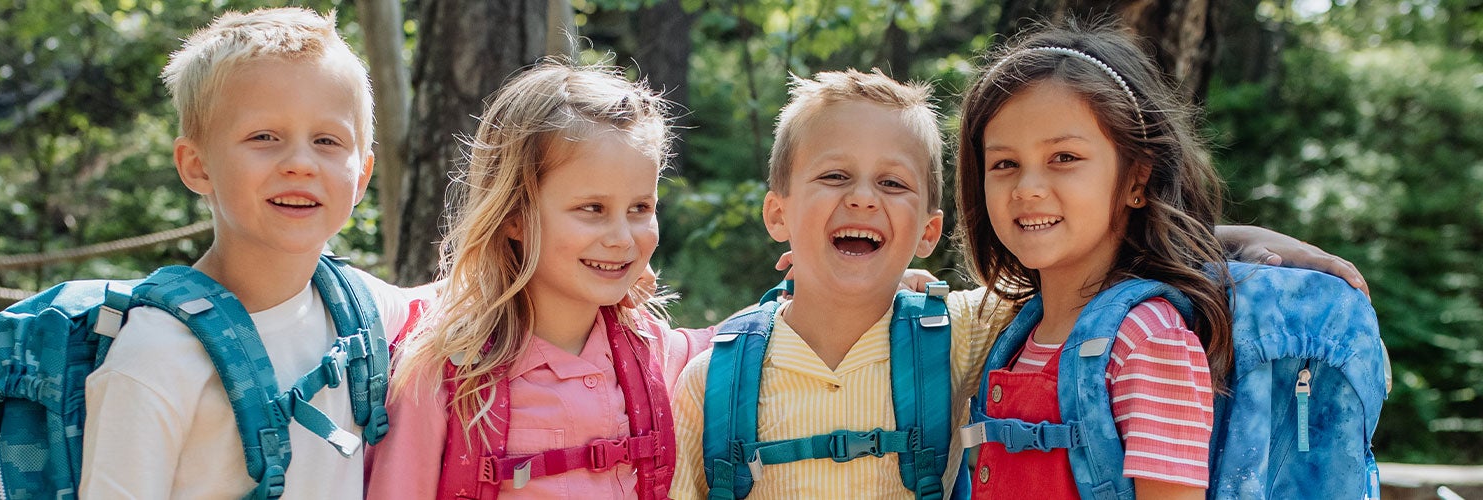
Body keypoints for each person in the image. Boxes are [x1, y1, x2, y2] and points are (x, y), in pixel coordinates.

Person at [668, 67, 1371, 499]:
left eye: (892, 183)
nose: (861, 198)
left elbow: (1084, 253)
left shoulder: (963, 332)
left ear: (929, 232)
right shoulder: (713, 382)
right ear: (777, 214)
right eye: (833, 176)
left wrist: (1229, 239)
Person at [79, 8, 410, 498]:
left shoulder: (364, 311)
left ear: (361, 175)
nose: (300, 163)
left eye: (327, 140)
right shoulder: (153, 358)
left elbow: (470, 303)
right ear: (197, 166)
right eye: (264, 137)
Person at [364, 62, 711, 499]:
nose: (623, 238)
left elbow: (762, 340)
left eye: (640, 208)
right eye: (592, 209)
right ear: (514, 217)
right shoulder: (442, 371)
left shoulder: (655, 353)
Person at [952, 22, 1234, 498]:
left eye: (1064, 157)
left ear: (1137, 180)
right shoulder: (1013, 331)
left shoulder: (1148, 340)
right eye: (1005, 164)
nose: (1027, 188)